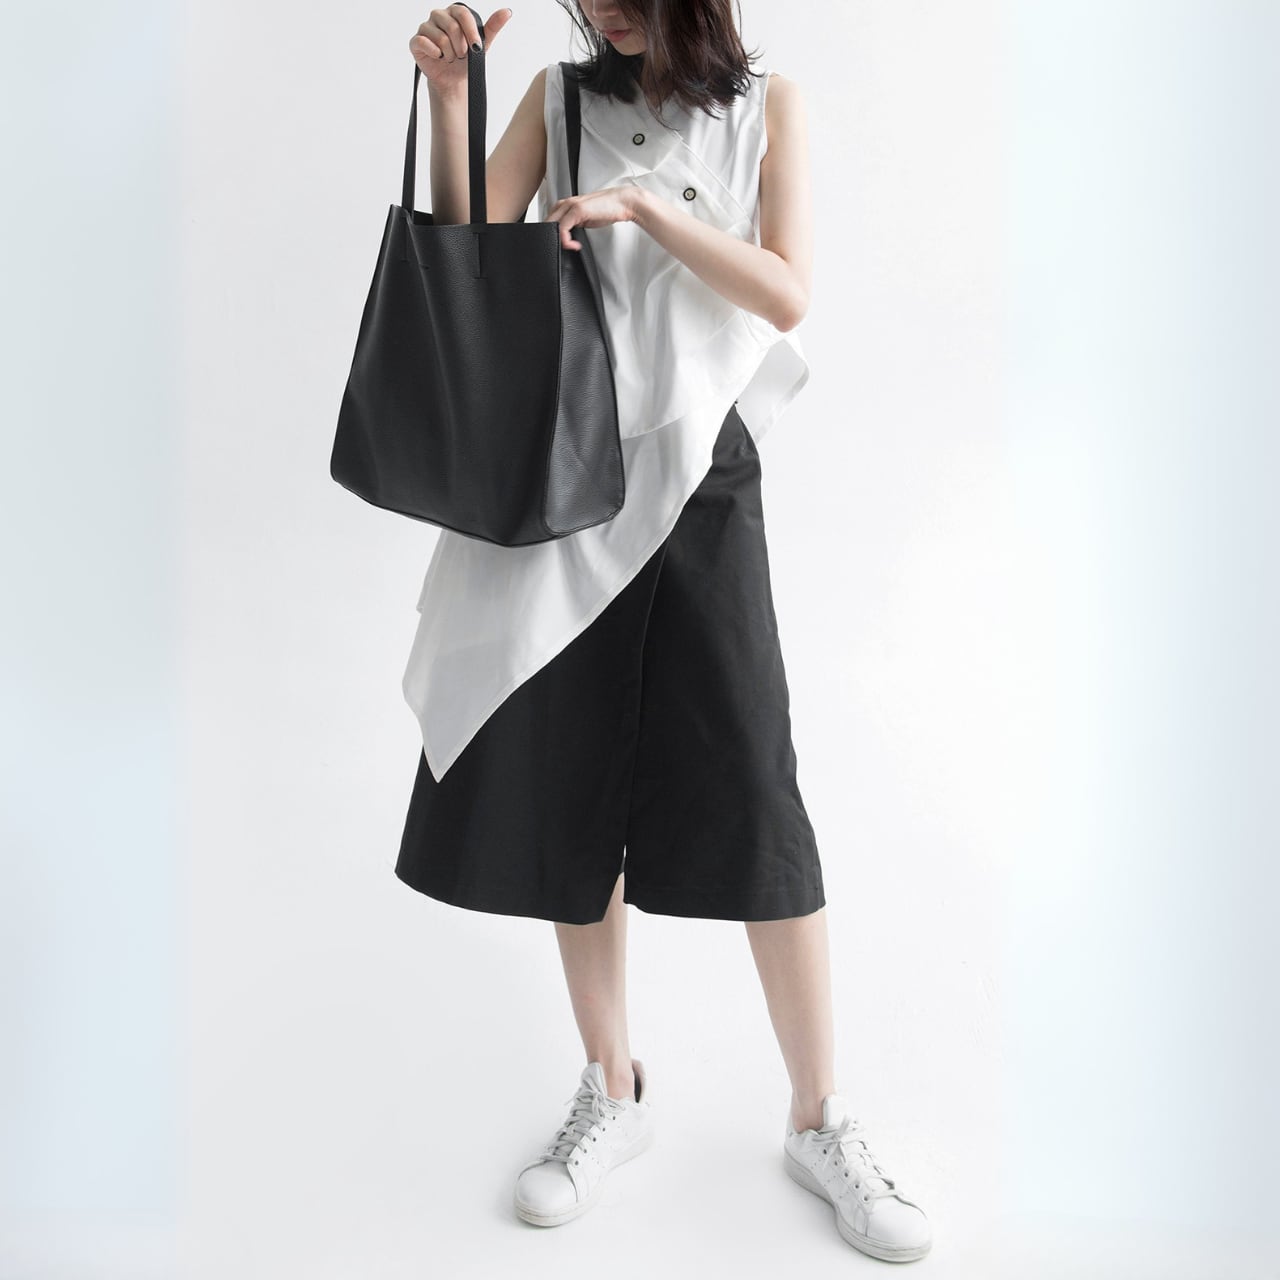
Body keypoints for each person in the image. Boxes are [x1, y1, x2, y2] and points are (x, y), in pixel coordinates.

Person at [399, 1, 932, 1263]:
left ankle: (817, 1116)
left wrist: (648, 212)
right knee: (575, 780)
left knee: (753, 781)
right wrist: (452, 101)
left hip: (701, 472)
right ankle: (611, 1083)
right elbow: (468, 251)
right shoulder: (558, 99)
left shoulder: (767, 106)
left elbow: (786, 293)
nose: (602, 7)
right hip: (568, 474)